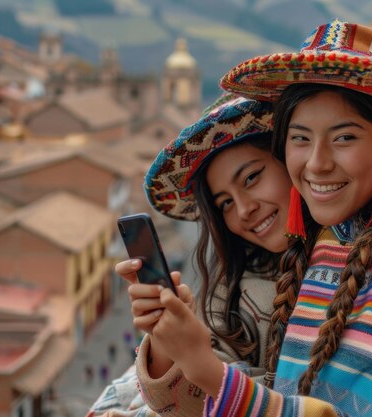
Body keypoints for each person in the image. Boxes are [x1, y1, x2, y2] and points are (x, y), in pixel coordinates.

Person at [144, 20, 372, 416]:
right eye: (300, 138)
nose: (317, 164)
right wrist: (170, 344)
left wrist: (205, 367)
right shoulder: (331, 247)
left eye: (344, 137)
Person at [87, 95, 292, 417]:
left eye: (252, 178)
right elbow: (187, 404)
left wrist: (199, 360)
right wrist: (165, 341)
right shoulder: (231, 293)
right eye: (224, 202)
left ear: (292, 159)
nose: (244, 209)